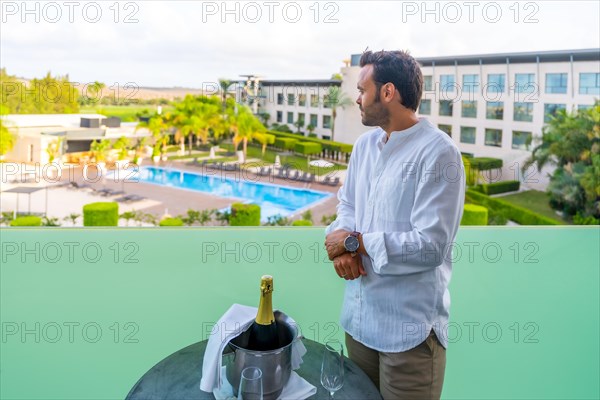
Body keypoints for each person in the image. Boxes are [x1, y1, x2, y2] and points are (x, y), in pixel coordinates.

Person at [324, 50, 465, 400]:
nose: (357, 98)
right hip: (358, 324)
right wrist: (343, 245)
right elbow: (349, 205)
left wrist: (354, 243)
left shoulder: (438, 153)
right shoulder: (365, 145)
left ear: (388, 92)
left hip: (409, 336)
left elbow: (431, 246)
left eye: (362, 90)